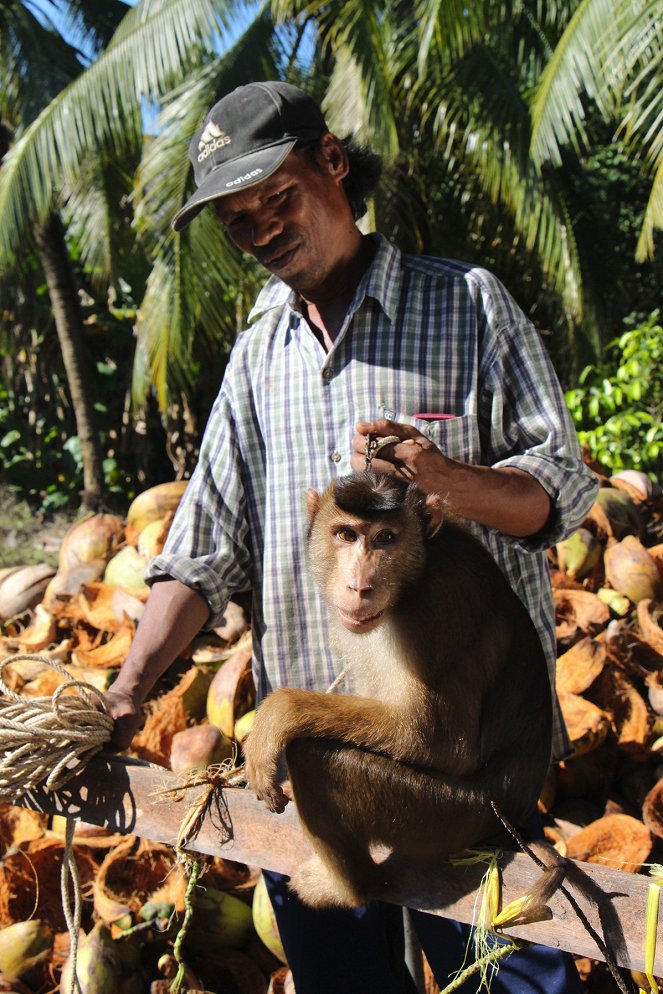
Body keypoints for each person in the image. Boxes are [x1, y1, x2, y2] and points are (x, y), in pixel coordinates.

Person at [105, 81, 597, 993]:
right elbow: (203, 549)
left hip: (471, 776)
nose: (263, 232)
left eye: (278, 198)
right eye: (237, 220)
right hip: (313, 800)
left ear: (333, 162)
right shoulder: (259, 356)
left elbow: (561, 497)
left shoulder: (468, 307)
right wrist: (128, 691)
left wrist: (449, 483)